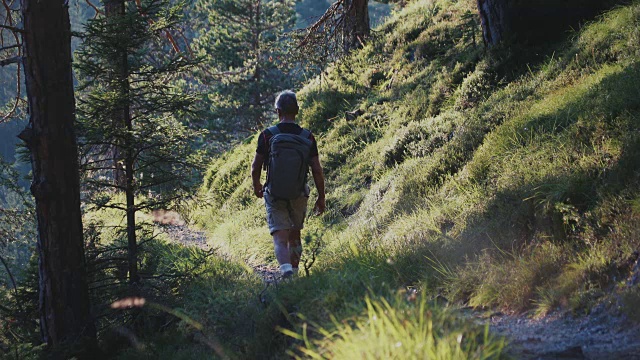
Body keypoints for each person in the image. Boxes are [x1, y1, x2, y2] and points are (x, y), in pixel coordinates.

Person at [251, 90, 326, 277]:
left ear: (278, 111)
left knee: (280, 238)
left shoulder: (267, 135)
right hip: (299, 193)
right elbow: (317, 169)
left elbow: (256, 166)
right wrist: (321, 197)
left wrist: (257, 185)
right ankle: (294, 273)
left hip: (274, 193)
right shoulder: (307, 137)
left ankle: (285, 272)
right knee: (295, 235)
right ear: (297, 110)